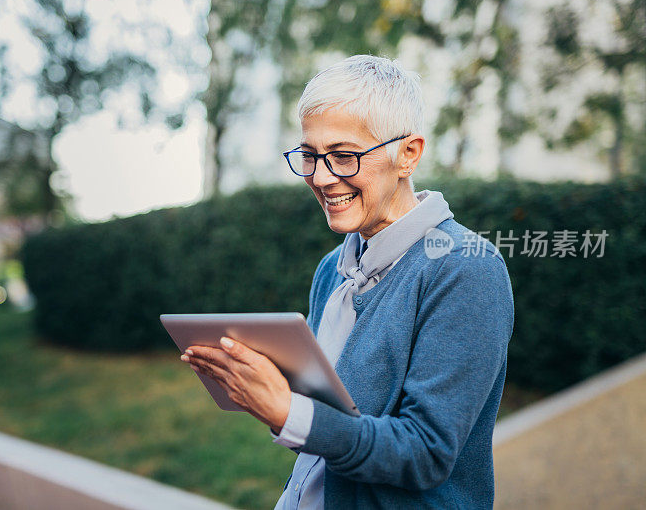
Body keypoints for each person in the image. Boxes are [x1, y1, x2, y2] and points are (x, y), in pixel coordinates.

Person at [180, 55, 514, 509]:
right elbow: (337, 430)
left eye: (343, 156)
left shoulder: (465, 268)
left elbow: (425, 454)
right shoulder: (331, 269)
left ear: (409, 154)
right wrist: (264, 386)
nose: (320, 177)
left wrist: (289, 412)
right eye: (310, 155)